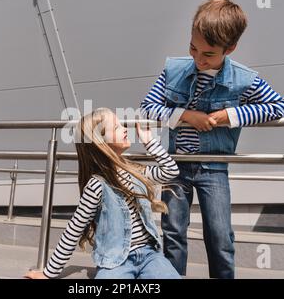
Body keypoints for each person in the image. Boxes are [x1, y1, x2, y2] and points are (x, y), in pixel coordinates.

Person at [140, 0, 284, 278]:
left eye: (208, 54)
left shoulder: (245, 80)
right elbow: (148, 107)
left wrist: (230, 116)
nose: (198, 59)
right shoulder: (173, 70)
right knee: (173, 233)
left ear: (229, 49)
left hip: (214, 167)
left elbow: (277, 106)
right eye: (193, 49)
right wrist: (185, 115)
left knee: (220, 237)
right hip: (174, 166)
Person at [25, 108, 181, 279]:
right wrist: (48, 274)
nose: (124, 129)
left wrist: (150, 142)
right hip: (115, 260)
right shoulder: (96, 185)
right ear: (101, 143)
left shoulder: (136, 171)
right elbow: (74, 229)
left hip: (150, 255)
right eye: (116, 127)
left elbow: (170, 170)